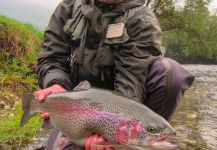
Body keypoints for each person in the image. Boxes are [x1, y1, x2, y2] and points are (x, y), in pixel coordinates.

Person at [35, 0, 195, 149]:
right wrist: (55, 84)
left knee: (170, 72)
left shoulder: (142, 19)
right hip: (73, 102)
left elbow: (130, 85)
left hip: (118, 103)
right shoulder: (69, 8)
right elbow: (51, 58)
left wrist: (111, 134)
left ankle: (132, 143)